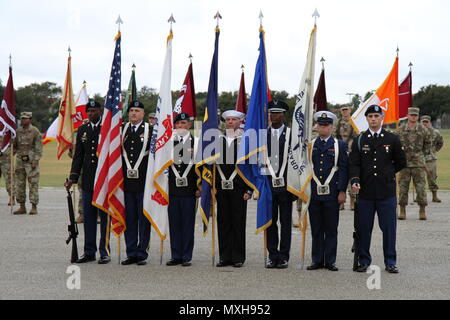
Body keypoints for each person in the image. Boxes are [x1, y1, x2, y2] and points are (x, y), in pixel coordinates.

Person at [349, 105, 406, 274]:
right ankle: (364, 260)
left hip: (386, 192)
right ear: (366, 119)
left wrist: (387, 173)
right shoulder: (360, 139)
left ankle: (390, 261)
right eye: (370, 116)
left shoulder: (392, 138)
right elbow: (354, 163)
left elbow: (401, 161)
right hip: (365, 192)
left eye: (376, 116)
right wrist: (355, 180)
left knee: (389, 229)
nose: (373, 119)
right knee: (364, 229)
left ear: (382, 118)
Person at [65, 100, 111, 264]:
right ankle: (89, 251)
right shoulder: (83, 130)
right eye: (89, 111)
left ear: (100, 110)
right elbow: (78, 157)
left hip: (104, 180)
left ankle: (104, 251)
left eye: (94, 111)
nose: (91, 114)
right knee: (89, 217)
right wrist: (73, 178)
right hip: (88, 181)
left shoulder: (106, 128)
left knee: (105, 218)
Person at [307, 111, 348, 272]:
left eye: (326, 125)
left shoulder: (340, 145)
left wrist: (342, 191)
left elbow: (344, 169)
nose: (322, 128)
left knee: (331, 228)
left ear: (332, 127)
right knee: (316, 228)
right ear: (316, 126)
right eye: (320, 125)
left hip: (332, 192)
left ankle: (330, 260)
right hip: (314, 192)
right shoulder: (310, 145)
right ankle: (317, 259)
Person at [216, 110, 252, 268]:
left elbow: (251, 167)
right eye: (228, 119)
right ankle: (224, 256)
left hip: (239, 188)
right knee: (223, 222)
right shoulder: (217, 140)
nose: (230, 122)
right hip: (221, 188)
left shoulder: (246, 141)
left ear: (240, 122)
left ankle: (238, 257)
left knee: (238, 222)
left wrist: (249, 189)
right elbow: (210, 166)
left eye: (234, 119)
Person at [166, 112, 200, 267]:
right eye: (178, 124)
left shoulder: (197, 143)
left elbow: (202, 167)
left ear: (189, 125)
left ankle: (186, 255)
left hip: (189, 190)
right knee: (174, 223)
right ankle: (176, 255)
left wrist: (200, 186)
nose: (180, 126)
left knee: (187, 223)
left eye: (183, 123)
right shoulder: (167, 143)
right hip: (172, 189)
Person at [121, 101, 152, 266]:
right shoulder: (122, 130)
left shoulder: (150, 130)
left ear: (143, 113)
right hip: (126, 184)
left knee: (143, 219)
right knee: (130, 219)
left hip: (144, 183)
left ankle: (142, 253)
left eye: (137, 110)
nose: (133, 113)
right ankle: (131, 252)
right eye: (131, 110)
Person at [266, 99, 295, 269]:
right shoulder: (263, 135)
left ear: (284, 115)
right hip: (269, 185)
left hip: (286, 186)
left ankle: (284, 256)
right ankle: (272, 255)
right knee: (270, 222)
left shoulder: (292, 135)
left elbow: (296, 162)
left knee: (285, 222)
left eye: (277, 113)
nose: (273, 116)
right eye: (271, 113)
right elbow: (258, 161)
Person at [397, 107, 432, 220]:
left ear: (418, 116)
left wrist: (421, 155)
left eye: (415, 115)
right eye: (411, 115)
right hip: (404, 164)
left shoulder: (423, 130)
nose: (413, 117)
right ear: (407, 115)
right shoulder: (401, 129)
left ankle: (422, 210)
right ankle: (402, 210)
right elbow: (396, 145)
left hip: (418, 164)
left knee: (421, 188)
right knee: (403, 188)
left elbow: (428, 144)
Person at [13, 112, 43, 215]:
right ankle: (22, 206)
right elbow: (15, 146)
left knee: (33, 183)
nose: (23, 120)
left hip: (31, 161)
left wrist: (36, 159)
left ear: (30, 119)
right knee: (20, 184)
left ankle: (34, 206)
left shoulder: (35, 131)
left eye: (25, 118)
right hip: (20, 161)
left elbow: (39, 147)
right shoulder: (17, 131)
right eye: (22, 118)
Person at [335, 104, 357, 210]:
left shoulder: (354, 122)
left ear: (350, 110)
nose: (345, 112)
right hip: (341, 152)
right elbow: (335, 136)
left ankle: (352, 200)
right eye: (343, 110)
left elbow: (357, 136)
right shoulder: (338, 123)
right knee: (341, 176)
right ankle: (341, 201)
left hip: (351, 151)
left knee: (351, 175)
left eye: (346, 110)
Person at [421, 115, 444, 203]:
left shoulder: (435, 132)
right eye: (423, 122)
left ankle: (434, 196)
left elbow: (440, 142)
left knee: (432, 177)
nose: (425, 124)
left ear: (429, 122)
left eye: (426, 122)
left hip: (431, 159)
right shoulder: (417, 132)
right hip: (419, 158)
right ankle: (420, 196)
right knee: (419, 178)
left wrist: (434, 151)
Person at [0, 135, 14, 206]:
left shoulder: (7, 128)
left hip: (6, 159)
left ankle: (12, 197)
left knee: (9, 179)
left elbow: (15, 144)